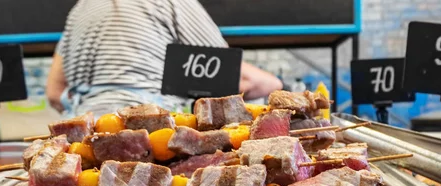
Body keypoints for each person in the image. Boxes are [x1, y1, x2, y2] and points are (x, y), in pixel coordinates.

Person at [46, 0, 283, 116]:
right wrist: (273, 85)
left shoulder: (79, 10)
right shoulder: (170, 2)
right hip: (152, 134)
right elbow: (227, 73)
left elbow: (54, 94)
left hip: (79, 132)